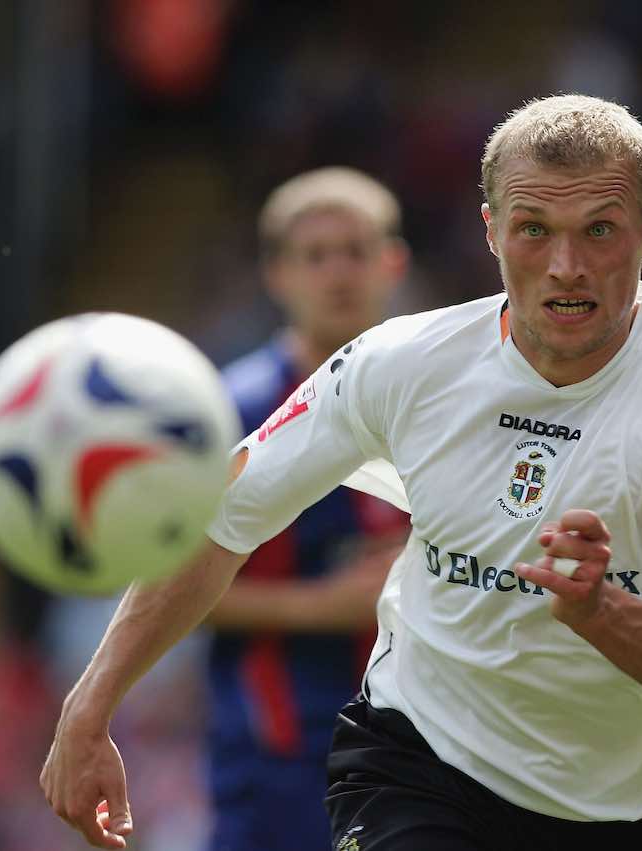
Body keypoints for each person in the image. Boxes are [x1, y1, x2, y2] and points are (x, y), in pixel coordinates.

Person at [41, 95, 642, 851]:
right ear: (491, 228)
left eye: (599, 230)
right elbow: (217, 519)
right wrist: (89, 704)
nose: (566, 267)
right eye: (533, 230)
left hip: (622, 813)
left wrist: (604, 614)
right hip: (419, 764)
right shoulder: (400, 364)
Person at [199, 167, 410, 850]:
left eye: (355, 251)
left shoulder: (437, 403)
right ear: (277, 274)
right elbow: (171, 586)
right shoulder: (228, 413)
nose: (338, 273)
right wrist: (336, 602)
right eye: (316, 256)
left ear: (392, 263)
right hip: (280, 754)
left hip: (428, 751)